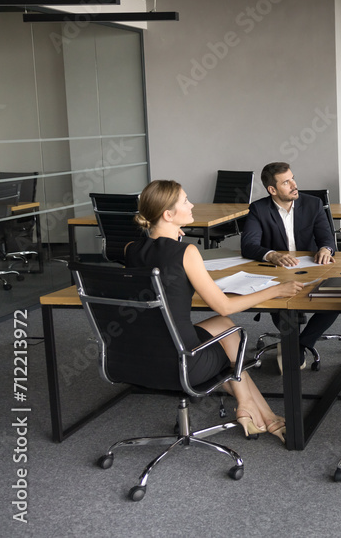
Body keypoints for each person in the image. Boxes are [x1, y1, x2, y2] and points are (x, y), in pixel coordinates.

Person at [125, 180, 305, 442]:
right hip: (183, 361)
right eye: (185, 201)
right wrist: (276, 291)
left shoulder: (131, 250)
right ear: (168, 215)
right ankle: (254, 409)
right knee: (231, 334)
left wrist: (172, 238)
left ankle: (258, 410)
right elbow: (223, 304)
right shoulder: (186, 252)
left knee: (224, 325)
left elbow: (160, 281)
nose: (192, 204)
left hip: (137, 356)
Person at [240, 162, 337, 373]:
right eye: (286, 182)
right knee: (279, 302)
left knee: (336, 299)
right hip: (278, 272)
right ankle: (294, 341)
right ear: (272, 190)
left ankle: (299, 344)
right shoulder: (259, 209)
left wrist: (326, 249)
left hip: (313, 269)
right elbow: (248, 245)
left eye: (293, 178)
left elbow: (327, 238)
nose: (294, 185)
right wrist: (271, 254)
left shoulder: (313, 204)